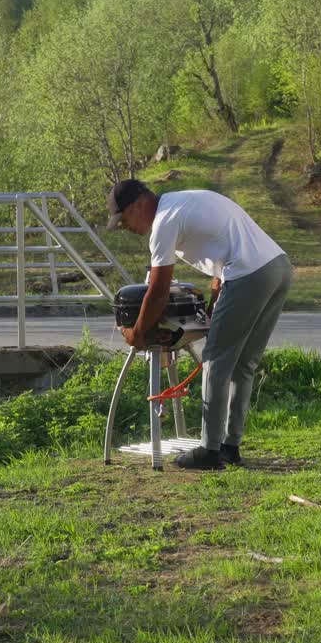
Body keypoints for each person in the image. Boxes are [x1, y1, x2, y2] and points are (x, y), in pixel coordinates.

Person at [107, 179, 293, 470]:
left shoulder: (163, 223)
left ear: (139, 203)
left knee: (215, 361)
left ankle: (209, 451)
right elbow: (227, 237)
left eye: (124, 219)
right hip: (278, 268)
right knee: (244, 363)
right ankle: (230, 447)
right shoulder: (186, 200)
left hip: (248, 273)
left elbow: (157, 291)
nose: (124, 227)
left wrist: (138, 334)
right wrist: (218, 284)